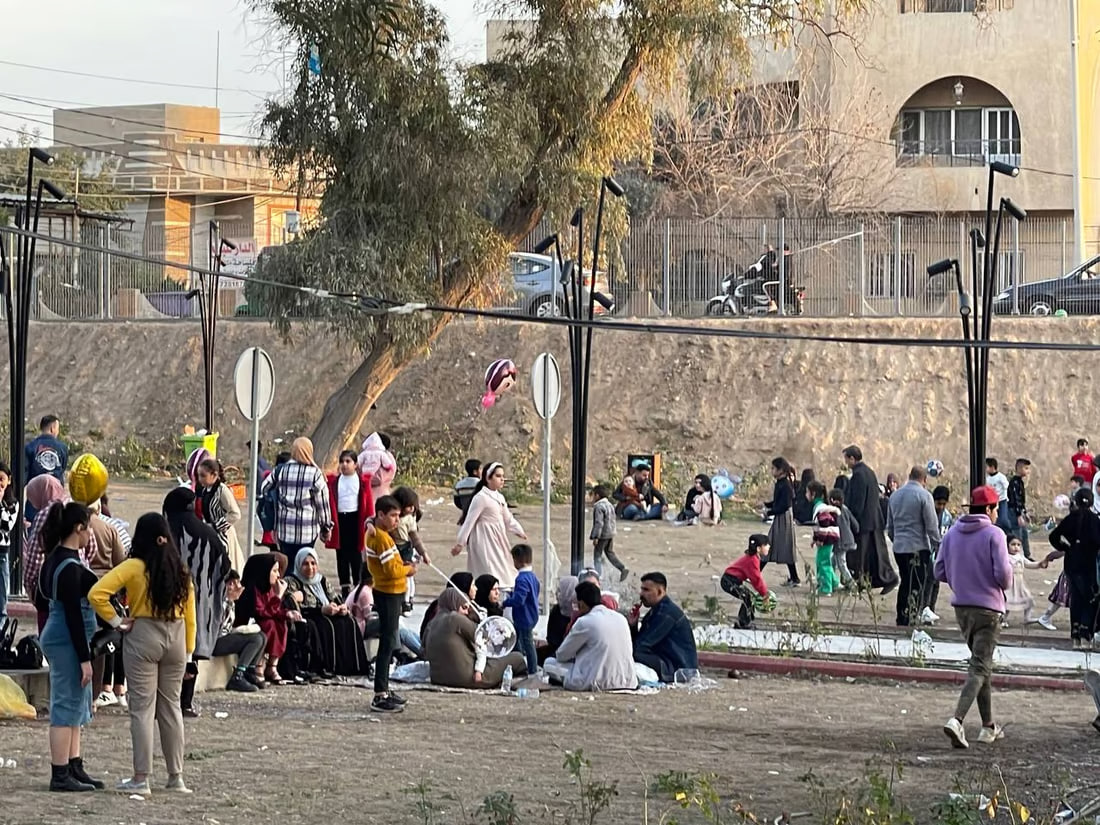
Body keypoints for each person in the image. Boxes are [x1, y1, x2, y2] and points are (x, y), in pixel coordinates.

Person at [89, 513, 197, 795]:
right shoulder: (180, 569)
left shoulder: (134, 567)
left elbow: (97, 593)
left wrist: (116, 621)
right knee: (171, 707)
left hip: (143, 633)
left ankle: (141, 777)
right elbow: (192, 614)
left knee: (142, 710)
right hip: (176, 635)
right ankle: (176, 777)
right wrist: (188, 652)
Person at [934, 485, 1012, 749]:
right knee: (979, 667)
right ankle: (956, 720)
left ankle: (988, 727)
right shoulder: (994, 535)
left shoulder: (952, 533)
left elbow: (939, 571)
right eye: (996, 509)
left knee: (982, 666)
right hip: (989, 609)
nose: (997, 514)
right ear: (988, 509)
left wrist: (961, 580)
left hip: (962, 609)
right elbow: (1003, 575)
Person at [36, 501, 102, 792]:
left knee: (76, 703)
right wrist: (84, 658)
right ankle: (60, 772)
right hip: (66, 639)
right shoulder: (69, 567)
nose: (91, 534)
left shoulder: (53, 559)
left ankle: (74, 765)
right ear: (79, 528)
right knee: (66, 705)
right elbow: (74, 615)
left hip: (57, 632)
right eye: (88, 528)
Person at [25, 475, 98, 631]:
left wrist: (31, 588)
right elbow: (92, 549)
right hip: (79, 582)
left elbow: (34, 557)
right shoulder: (77, 510)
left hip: (51, 589)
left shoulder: (44, 514)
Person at [365, 495, 416, 713]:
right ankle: (380, 693)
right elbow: (391, 570)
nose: (397, 520)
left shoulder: (378, 532)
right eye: (393, 515)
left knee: (389, 640)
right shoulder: (382, 539)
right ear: (381, 515)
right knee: (387, 642)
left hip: (389, 590)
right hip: (388, 592)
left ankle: (384, 687)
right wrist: (408, 569)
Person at [286, 548, 369, 676]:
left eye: (313, 564)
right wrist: (321, 610)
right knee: (326, 626)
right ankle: (329, 667)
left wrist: (342, 608)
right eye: (305, 564)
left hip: (328, 612)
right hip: (310, 615)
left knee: (348, 622)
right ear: (298, 564)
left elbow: (335, 598)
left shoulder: (322, 580)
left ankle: (352, 667)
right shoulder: (292, 581)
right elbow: (294, 606)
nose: (310, 568)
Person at [423, 587, 526, 689]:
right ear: (454, 604)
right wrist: (478, 617)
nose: (467, 612)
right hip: (468, 677)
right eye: (464, 607)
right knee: (518, 658)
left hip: (438, 678)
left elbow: (424, 651)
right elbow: (484, 637)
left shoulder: (432, 623)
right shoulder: (454, 619)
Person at [544, 580, 638, 691]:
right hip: (626, 681)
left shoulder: (585, 621)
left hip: (595, 681)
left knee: (549, 663)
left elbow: (562, 655)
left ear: (581, 604)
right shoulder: (621, 618)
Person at [451, 462, 527, 589]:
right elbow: (469, 521)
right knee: (488, 568)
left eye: (503, 476)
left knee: (504, 567)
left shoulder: (500, 497)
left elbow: (508, 518)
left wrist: (519, 530)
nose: (502, 479)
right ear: (488, 478)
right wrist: (460, 542)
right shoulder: (480, 497)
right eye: (498, 476)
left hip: (498, 537)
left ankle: (500, 593)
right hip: (483, 539)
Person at [1042, 487, 1100, 649]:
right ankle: (1085, 637)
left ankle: (1075, 638)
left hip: (1071, 564)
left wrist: (1066, 547)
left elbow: (1053, 536)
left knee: (1076, 599)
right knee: (1090, 599)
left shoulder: (1070, 518)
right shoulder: (1095, 521)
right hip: (1088, 565)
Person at [886, 466, 940, 627]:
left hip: (899, 547)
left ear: (909, 476)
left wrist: (897, 540)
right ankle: (912, 615)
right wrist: (938, 543)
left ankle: (901, 617)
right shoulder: (924, 496)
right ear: (924, 480)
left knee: (905, 582)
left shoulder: (895, 496)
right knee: (917, 584)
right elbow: (931, 526)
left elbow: (890, 527)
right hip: (918, 547)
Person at [235, 553, 300, 685]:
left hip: (263, 619)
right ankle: (259, 665)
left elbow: (274, 610)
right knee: (269, 624)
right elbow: (262, 612)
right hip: (249, 623)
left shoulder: (267, 588)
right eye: (274, 571)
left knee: (281, 624)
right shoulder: (252, 589)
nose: (278, 575)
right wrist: (279, 595)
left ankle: (272, 665)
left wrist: (287, 613)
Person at [842, 445, 898, 595]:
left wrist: (853, 521)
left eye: (847, 459)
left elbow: (858, 501)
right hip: (873, 519)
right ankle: (875, 580)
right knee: (874, 554)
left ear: (852, 458)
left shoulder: (859, 475)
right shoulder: (869, 472)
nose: (846, 463)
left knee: (861, 554)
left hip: (864, 522)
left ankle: (871, 581)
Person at [628, 572, 698, 683]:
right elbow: (640, 642)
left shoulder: (666, 614)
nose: (641, 594)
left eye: (646, 590)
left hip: (676, 667)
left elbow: (640, 646)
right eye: (642, 589)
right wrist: (633, 625)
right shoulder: (657, 610)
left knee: (630, 654)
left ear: (660, 592)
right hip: (665, 661)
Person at [345, 564, 422, 659]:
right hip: (361, 628)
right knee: (394, 623)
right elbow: (370, 616)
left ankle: (421, 645)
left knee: (398, 625)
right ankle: (419, 651)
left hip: (360, 625)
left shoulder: (362, 588)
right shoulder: (366, 593)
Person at [325, 449, 375, 597]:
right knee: (341, 553)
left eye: (348, 462)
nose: (344, 465)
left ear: (355, 464)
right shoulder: (334, 482)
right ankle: (345, 584)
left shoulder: (362, 482)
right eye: (342, 462)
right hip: (340, 519)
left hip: (356, 519)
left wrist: (370, 521)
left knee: (355, 553)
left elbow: (369, 504)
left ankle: (358, 583)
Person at [195, 458, 244, 573]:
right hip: (211, 533)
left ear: (214, 475)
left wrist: (217, 526)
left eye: (203, 475)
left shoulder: (222, 490)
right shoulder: (205, 489)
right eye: (199, 475)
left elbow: (235, 513)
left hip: (224, 535)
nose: (200, 479)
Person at [392, 486, 431, 613]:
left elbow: (415, 538)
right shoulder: (392, 517)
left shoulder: (409, 519)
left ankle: (407, 601)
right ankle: (399, 599)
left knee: (408, 575)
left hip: (406, 548)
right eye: (409, 506)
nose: (412, 509)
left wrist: (423, 553)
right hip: (393, 548)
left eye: (413, 506)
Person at [502, 543, 539, 673]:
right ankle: (519, 661)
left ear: (518, 561)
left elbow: (519, 600)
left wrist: (506, 602)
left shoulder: (521, 579)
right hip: (532, 614)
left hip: (524, 617)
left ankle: (532, 670)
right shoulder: (533, 577)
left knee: (528, 644)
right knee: (517, 638)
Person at [762, 457, 799, 586]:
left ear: (781, 470)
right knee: (779, 546)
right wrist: (768, 505)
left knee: (771, 545)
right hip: (781, 517)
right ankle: (795, 578)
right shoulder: (780, 483)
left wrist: (770, 512)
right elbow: (778, 502)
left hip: (784, 518)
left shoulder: (786, 485)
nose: (771, 471)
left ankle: (755, 573)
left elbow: (784, 505)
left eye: (773, 468)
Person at [721, 534, 770, 628]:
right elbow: (756, 579)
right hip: (729, 581)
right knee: (748, 597)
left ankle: (746, 621)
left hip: (732, 580)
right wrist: (764, 594)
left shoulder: (753, 558)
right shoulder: (753, 560)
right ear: (759, 549)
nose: (769, 546)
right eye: (766, 544)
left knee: (749, 597)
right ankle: (743, 623)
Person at [925, 485, 954, 624]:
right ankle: (924, 609)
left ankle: (931, 608)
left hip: (940, 552)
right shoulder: (928, 513)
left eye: (943, 504)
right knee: (928, 581)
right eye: (938, 503)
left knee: (936, 582)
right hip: (928, 550)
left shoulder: (947, 517)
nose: (941, 507)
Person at [808, 481, 840, 596]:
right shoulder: (819, 506)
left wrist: (820, 540)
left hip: (827, 538)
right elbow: (818, 526)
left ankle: (826, 588)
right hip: (828, 537)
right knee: (823, 560)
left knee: (823, 562)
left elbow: (824, 526)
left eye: (807, 492)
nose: (806, 495)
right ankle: (834, 582)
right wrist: (815, 538)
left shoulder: (820, 508)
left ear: (813, 494)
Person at [590, 484, 628, 582]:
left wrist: (595, 537)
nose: (592, 498)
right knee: (609, 553)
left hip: (603, 534)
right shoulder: (609, 504)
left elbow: (599, 523)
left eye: (593, 495)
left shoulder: (599, 507)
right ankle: (622, 568)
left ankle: (599, 575)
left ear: (597, 496)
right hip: (611, 533)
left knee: (597, 555)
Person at [421, 572, 475, 638]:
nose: (476, 588)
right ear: (465, 586)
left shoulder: (471, 606)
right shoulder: (443, 606)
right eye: (473, 585)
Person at [1004, 536, 1041, 626]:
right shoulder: (1005, 557)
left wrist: (1040, 564)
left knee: (1029, 600)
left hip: (1020, 583)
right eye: (1013, 544)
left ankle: (1027, 618)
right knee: (1007, 605)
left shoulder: (1020, 557)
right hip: (1009, 584)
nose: (1016, 547)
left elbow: (1029, 564)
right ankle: (1002, 620)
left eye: (1018, 545)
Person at [542, 575, 578, 663]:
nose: (557, 594)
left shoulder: (578, 613)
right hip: (557, 652)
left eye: (560, 591)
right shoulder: (556, 610)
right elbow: (551, 638)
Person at [0, 461, 19, 620]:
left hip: (2, 553)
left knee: (1, 596)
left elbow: (6, 526)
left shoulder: (12, 504)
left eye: (1, 479)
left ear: (9, 480)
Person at [26, 414, 69, 485]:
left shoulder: (30, 447)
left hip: (35, 489)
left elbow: (25, 472)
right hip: (56, 490)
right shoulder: (62, 447)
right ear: (52, 428)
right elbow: (63, 467)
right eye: (58, 429)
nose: (58, 432)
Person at [828, 488, 857, 590]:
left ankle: (852, 585)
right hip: (848, 539)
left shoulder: (833, 511)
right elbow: (855, 525)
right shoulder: (845, 509)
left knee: (841, 564)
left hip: (840, 542)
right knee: (832, 562)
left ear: (831, 500)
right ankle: (831, 581)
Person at [358, 432, 396, 499]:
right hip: (382, 495)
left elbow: (377, 479)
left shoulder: (382, 456)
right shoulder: (388, 457)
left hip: (373, 497)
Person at [1007, 458, 1031, 559]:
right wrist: (1018, 515)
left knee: (1024, 533)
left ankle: (1027, 555)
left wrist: (1025, 513)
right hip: (1014, 511)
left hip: (1020, 511)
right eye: (1026, 468)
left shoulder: (1020, 482)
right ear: (1019, 468)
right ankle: (1017, 556)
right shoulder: (1014, 483)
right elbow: (1015, 500)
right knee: (1017, 533)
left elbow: (1021, 501)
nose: (1028, 471)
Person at [985, 458, 1011, 533]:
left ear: (992, 467)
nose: (985, 469)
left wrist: (1005, 495)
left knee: (1003, 519)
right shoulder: (988, 479)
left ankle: (1009, 532)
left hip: (1002, 500)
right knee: (994, 520)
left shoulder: (1000, 477)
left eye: (986, 467)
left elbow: (1006, 486)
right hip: (993, 502)